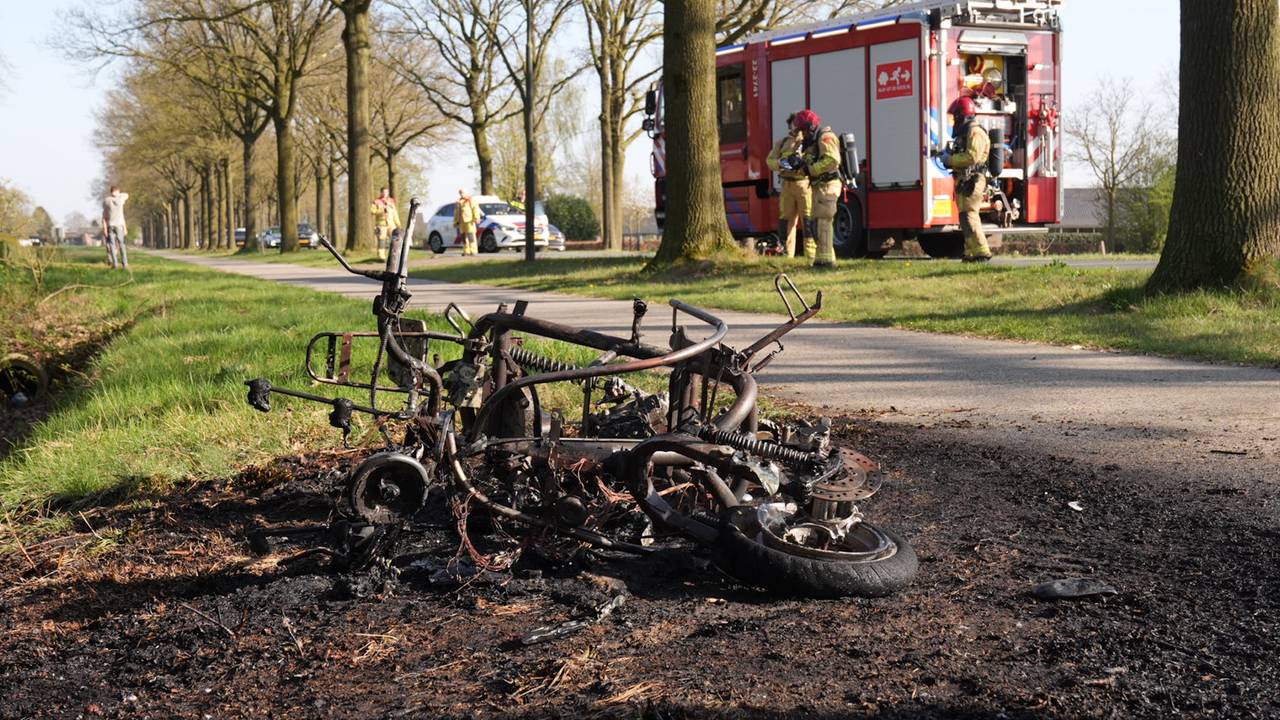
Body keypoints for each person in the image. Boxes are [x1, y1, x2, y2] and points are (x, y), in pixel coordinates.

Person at [942, 96, 992, 262]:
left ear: (961, 116)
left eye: (954, 117)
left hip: (973, 180)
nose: (953, 122)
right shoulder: (966, 133)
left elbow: (972, 157)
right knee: (964, 217)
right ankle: (971, 252)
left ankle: (982, 252)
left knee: (970, 215)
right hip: (965, 180)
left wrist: (949, 160)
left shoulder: (975, 132)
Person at [793, 109, 842, 268]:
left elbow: (831, 160)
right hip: (818, 187)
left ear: (810, 127)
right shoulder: (813, 142)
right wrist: (798, 163)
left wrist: (811, 169)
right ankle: (822, 260)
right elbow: (810, 159)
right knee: (815, 225)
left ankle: (827, 262)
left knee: (823, 224)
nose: (803, 134)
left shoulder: (826, 138)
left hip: (828, 186)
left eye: (803, 130)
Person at [765, 113, 811, 258]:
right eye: (793, 123)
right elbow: (770, 160)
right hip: (787, 186)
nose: (795, 126)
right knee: (786, 221)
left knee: (808, 220)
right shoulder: (782, 142)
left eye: (798, 123)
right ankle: (786, 254)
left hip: (804, 184)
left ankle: (811, 255)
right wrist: (779, 164)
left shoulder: (808, 141)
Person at [100, 185, 130, 270]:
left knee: (112, 246)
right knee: (121, 245)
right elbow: (126, 194)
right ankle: (125, 264)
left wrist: (105, 228)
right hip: (119, 225)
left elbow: (104, 217)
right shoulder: (121, 200)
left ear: (111, 192)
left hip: (110, 225)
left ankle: (115, 264)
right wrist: (125, 228)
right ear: (117, 191)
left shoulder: (106, 201)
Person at [370, 187, 401, 260]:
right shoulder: (376, 201)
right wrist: (381, 210)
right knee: (382, 240)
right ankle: (381, 257)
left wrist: (398, 223)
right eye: (384, 192)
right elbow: (372, 211)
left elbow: (395, 213)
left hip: (391, 224)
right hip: (381, 224)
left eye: (386, 192)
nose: (385, 193)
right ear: (381, 192)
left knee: (395, 239)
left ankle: (395, 255)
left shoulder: (391, 201)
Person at [453, 189, 481, 256]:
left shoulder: (471, 200)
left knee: (471, 235)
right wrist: (455, 222)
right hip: (461, 222)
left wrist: (476, 218)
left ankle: (473, 250)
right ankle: (466, 250)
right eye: (460, 193)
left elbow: (476, 209)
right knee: (463, 237)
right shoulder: (459, 202)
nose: (461, 194)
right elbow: (456, 213)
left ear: (466, 193)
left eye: (462, 192)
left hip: (469, 221)